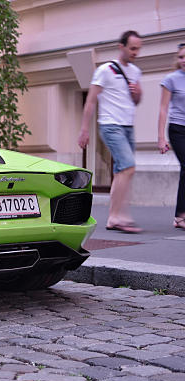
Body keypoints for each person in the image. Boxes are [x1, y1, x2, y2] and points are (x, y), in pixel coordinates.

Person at [78, 30, 143, 233]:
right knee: (128, 168)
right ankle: (119, 216)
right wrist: (84, 130)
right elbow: (90, 101)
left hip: (128, 126)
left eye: (138, 49)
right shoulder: (105, 70)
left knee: (121, 171)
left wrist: (137, 93)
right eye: (132, 48)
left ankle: (114, 217)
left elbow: (137, 101)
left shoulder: (135, 71)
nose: (135, 52)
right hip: (110, 125)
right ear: (121, 47)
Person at [158, 42, 185, 230]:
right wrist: (161, 138)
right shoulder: (171, 79)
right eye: (181, 57)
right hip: (177, 129)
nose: (184, 60)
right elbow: (163, 109)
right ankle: (180, 216)